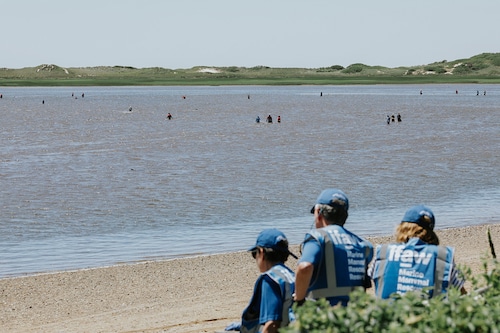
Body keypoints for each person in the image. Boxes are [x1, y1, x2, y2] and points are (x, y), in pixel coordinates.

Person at [294, 189, 374, 307]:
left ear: (319, 212)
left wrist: (299, 299)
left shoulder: (317, 238)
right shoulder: (363, 245)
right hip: (354, 313)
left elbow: (305, 267)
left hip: (324, 311)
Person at [368, 205, 466, 299]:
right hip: (430, 314)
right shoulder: (442, 256)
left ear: (401, 228)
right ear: (430, 232)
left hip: (388, 314)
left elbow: (366, 281)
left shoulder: (384, 252)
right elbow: (462, 294)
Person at [225, 229, 296, 333]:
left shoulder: (270, 280)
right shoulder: (291, 275)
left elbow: (272, 324)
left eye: (255, 253)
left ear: (261, 252)